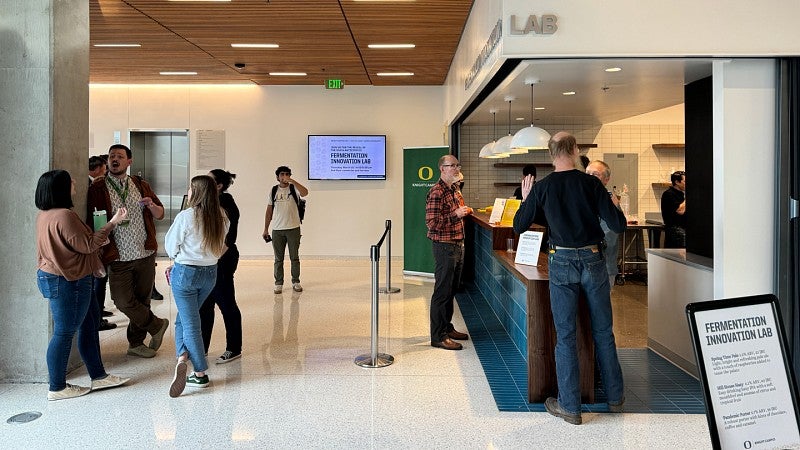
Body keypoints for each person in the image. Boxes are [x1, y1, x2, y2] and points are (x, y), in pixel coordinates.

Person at [513, 132, 626, 425]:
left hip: (561, 260)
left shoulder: (543, 187)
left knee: (565, 335)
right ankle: (615, 398)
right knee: (603, 331)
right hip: (593, 259)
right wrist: (612, 200)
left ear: (551, 153)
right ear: (575, 150)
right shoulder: (592, 184)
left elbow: (519, 226)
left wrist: (528, 199)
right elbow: (618, 225)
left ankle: (570, 406)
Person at [35, 170, 131, 400]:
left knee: (88, 325)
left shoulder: (45, 214)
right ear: (61, 188)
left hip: (61, 277)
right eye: (70, 180)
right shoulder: (64, 216)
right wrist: (112, 223)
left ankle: (99, 376)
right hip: (69, 280)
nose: (75, 182)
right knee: (64, 332)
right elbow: (88, 245)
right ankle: (57, 387)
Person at [87, 144, 169, 359]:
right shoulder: (98, 187)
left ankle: (135, 343)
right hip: (118, 256)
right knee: (122, 300)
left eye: (120, 156)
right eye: (112, 156)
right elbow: (93, 220)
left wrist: (151, 205)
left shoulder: (140, 184)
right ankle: (157, 324)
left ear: (129, 161)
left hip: (144, 252)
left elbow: (160, 214)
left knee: (143, 301)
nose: (115, 159)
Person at [165, 175, 229, 397]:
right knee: (184, 318)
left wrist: (176, 258)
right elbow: (220, 247)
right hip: (209, 274)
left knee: (190, 323)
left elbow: (171, 246)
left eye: (190, 188)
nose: (189, 192)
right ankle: (182, 357)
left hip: (185, 274)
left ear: (197, 192)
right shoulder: (222, 217)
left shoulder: (187, 216)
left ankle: (200, 373)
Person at [425, 155, 472, 351]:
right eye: (451, 166)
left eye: (457, 165)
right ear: (441, 169)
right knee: (442, 292)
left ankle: (447, 327)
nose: (455, 168)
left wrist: (462, 208)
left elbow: (457, 210)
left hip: (457, 245)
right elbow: (432, 223)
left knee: (451, 290)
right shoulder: (436, 191)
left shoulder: (453, 189)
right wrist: (456, 215)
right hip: (444, 246)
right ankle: (438, 336)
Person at [199, 169, 243, 364]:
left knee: (226, 303)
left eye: (209, 180)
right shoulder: (208, 202)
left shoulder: (226, 203)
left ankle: (234, 348)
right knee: (205, 306)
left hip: (222, 260)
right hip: (209, 260)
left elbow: (229, 237)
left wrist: (214, 258)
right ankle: (202, 348)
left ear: (218, 186)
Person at [262, 166, 309, 294]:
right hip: (277, 230)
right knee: (278, 259)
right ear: (277, 177)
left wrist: (293, 181)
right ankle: (278, 283)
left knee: (294, 257)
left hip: (293, 228)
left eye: (287, 174)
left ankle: (296, 281)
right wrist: (265, 229)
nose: (285, 176)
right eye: (282, 174)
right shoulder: (273, 191)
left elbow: (305, 192)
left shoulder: (294, 189)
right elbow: (269, 211)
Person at [89, 156, 116, 331]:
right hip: (96, 241)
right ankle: (96, 318)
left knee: (100, 282)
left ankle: (99, 312)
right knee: (98, 282)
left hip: (99, 239)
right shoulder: (93, 186)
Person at [586, 160, 622, 289]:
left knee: (600, 308)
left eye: (595, 174)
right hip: (583, 267)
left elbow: (608, 237)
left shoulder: (610, 202)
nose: (589, 177)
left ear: (606, 180)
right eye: (587, 173)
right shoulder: (583, 199)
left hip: (603, 267)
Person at [661, 170, 686, 248]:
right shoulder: (669, 194)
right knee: (679, 257)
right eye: (685, 181)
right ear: (677, 182)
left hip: (681, 228)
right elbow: (680, 211)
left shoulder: (681, 194)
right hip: (676, 231)